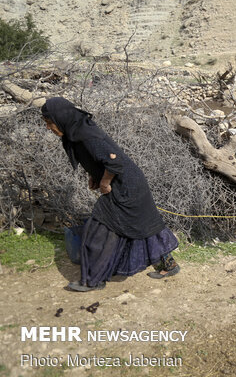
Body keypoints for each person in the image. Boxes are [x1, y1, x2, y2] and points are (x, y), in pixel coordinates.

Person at [42, 97, 180, 291]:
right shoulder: (77, 132)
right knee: (143, 223)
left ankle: (93, 279)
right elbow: (99, 159)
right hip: (130, 182)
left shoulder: (86, 135)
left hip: (126, 186)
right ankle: (169, 265)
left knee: (100, 227)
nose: (48, 127)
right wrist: (95, 177)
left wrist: (105, 182)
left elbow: (114, 162)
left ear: (61, 117)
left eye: (49, 122)